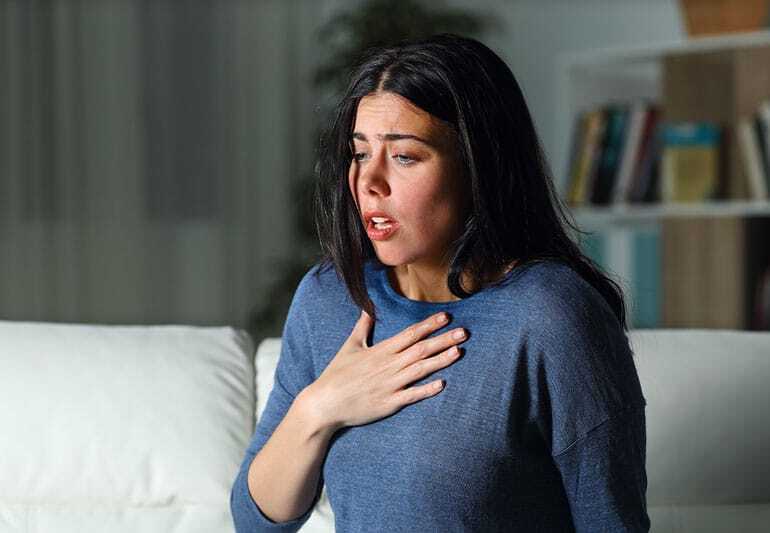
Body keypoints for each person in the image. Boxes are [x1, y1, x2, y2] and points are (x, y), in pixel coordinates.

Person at [230, 33, 650, 532]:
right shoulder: (330, 297)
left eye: (405, 156)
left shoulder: (552, 317)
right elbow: (255, 522)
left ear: (478, 166)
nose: (370, 182)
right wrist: (321, 406)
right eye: (360, 154)